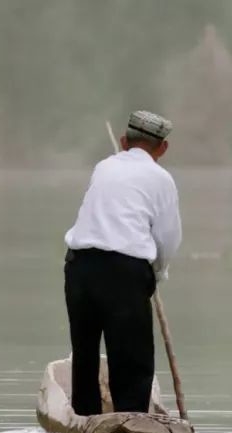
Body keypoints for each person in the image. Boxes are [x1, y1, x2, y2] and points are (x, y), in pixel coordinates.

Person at [63, 110, 182, 416]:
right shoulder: (161, 178)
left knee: (85, 352)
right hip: (125, 272)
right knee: (131, 357)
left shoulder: (104, 167)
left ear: (123, 141)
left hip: (79, 268)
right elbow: (168, 237)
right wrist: (158, 272)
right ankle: (131, 420)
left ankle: (85, 418)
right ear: (163, 149)